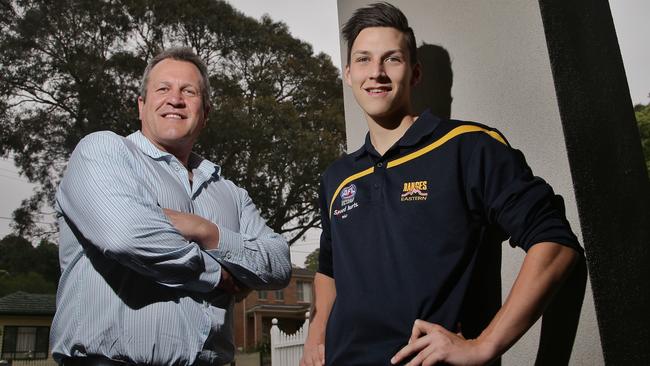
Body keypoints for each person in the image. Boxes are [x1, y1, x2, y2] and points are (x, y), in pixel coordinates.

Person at [301, 3, 583, 366]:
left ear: (415, 73)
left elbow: (556, 243)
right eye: (364, 60)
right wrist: (317, 330)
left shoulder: (468, 147)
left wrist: (484, 345)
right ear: (349, 75)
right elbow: (329, 268)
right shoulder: (337, 177)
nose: (377, 73)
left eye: (392, 60)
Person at [50, 47, 292, 366]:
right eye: (163, 88)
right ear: (142, 105)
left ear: (205, 112)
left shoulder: (231, 193)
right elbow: (125, 235)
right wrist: (217, 274)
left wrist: (205, 231)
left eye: (188, 91)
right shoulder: (103, 151)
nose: (174, 99)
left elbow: (279, 263)